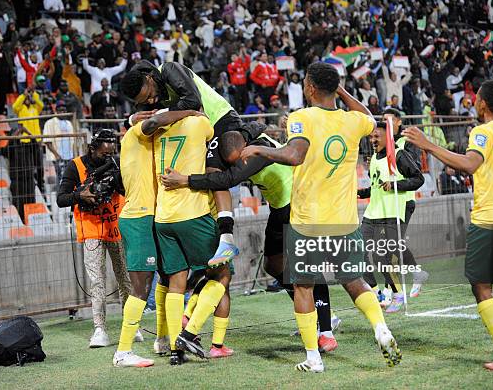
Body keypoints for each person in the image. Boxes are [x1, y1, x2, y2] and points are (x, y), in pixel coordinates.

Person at [239, 62, 400, 373]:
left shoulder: (301, 118)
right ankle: (381, 329)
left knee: (303, 287)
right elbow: (369, 117)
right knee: (353, 281)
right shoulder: (353, 121)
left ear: (310, 88)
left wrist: (260, 150)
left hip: (308, 222)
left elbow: (294, 155)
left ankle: (313, 358)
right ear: (334, 88)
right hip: (344, 220)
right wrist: (340, 89)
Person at [160, 121, 339, 353]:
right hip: (280, 207)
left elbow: (227, 180)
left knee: (306, 270)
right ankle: (308, 310)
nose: (241, 165)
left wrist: (186, 180)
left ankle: (326, 330)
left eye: (239, 159)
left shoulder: (260, 151)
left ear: (246, 147)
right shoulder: (246, 142)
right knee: (273, 265)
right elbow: (255, 124)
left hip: (299, 205)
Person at [403, 79, 493, 370]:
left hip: (489, 221)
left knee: (481, 286)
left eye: (477, 100)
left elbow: (469, 164)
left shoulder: (483, 132)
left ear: (483, 104)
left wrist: (427, 144)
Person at [121, 60, 242, 266]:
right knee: (197, 179)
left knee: (213, 171)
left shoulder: (169, 69)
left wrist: (160, 113)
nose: (151, 100)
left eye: (149, 94)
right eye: (144, 100)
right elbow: (147, 119)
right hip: (197, 130)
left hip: (220, 119)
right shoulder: (150, 91)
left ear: (150, 78)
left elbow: (193, 101)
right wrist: (131, 118)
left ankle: (227, 237)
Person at [143, 111, 232, 365]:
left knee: (176, 281)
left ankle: (174, 349)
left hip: (163, 216)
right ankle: (189, 333)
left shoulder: (157, 129)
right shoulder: (199, 123)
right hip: (192, 214)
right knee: (222, 273)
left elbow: (146, 123)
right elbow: (217, 158)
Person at [113, 109, 198, 368]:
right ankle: (123, 351)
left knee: (167, 276)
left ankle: (163, 339)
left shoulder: (153, 142)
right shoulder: (135, 134)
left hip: (155, 216)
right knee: (141, 288)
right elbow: (152, 121)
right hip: (138, 218)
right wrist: (189, 111)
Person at [57, 129, 132, 348]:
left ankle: (130, 325)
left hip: (115, 228)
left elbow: (126, 189)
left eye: (111, 153)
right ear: (92, 148)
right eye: (103, 154)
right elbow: (61, 198)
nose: (107, 157)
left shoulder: (116, 164)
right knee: (97, 281)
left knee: (125, 279)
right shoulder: (75, 166)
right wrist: (80, 195)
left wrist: (117, 177)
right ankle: (100, 329)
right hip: (91, 230)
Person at [358, 122, 425, 313]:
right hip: (373, 212)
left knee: (381, 256)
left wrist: (396, 185)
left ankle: (397, 293)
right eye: (371, 137)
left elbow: (418, 179)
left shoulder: (399, 155)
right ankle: (375, 291)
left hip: (391, 212)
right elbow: (377, 186)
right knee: (358, 251)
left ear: (386, 137)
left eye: (376, 137)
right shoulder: (374, 159)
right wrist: (362, 193)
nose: (372, 140)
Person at [381, 108, 429, 297]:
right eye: (383, 120)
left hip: (403, 200)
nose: (385, 123)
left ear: (399, 121)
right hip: (386, 201)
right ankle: (415, 274)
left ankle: (390, 289)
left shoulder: (406, 142)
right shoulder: (385, 144)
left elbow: (414, 171)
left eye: (389, 120)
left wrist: (395, 182)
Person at [42, 101, 74, 183]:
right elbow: (47, 142)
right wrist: (57, 155)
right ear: (56, 111)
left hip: (69, 156)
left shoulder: (69, 123)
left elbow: (73, 140)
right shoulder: (49, 123)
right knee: (61, 179)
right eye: (61, 110)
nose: (63, 112)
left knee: (69, 179)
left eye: (64, 110)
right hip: (58, 157)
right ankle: (59, 195)